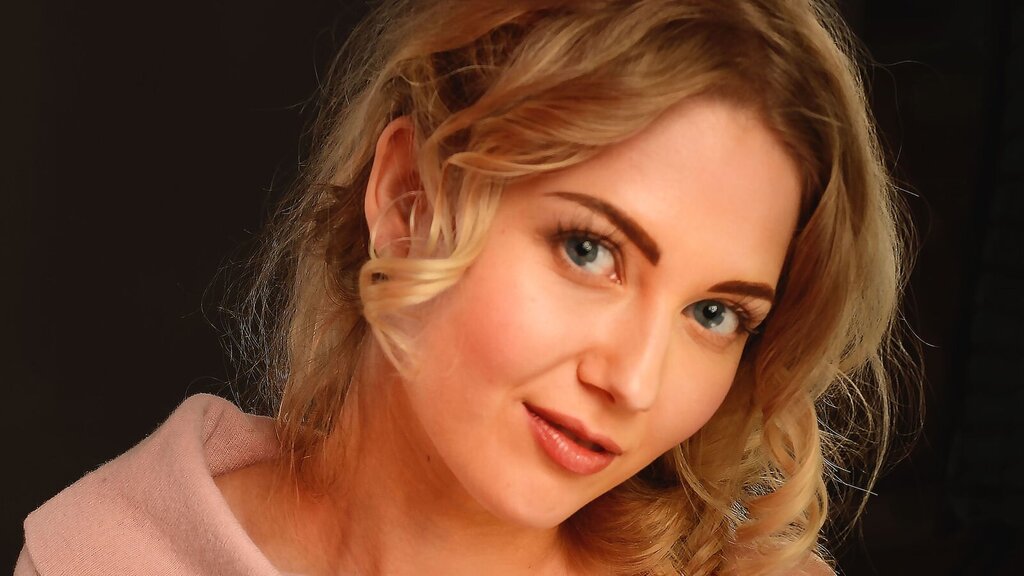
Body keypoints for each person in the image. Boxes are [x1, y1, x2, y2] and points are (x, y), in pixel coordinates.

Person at [17, 0, 915, 574]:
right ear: (409, 201)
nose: (635, 382)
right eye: (589, 250)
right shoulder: (112, 555)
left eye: (714, 314)